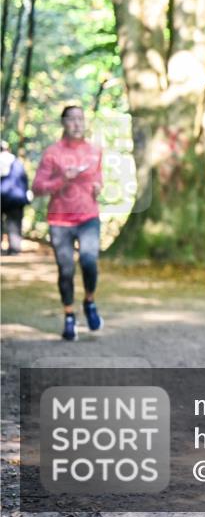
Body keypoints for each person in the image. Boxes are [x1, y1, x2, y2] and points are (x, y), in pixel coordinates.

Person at [31, 105, 104, 341]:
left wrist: (98, 187)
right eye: (71, 119)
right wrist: (63, 179)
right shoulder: (53, 153)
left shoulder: (95, 151)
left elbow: (98, 178)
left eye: (80, 119)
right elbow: (38, 188)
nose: (76, 123)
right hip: (60, 220)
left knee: (89, 261)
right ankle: (69, 315)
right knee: (66, 270)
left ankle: (90, 302)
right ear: (63, 123)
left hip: (88, 217)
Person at [0, 140, 30, 255]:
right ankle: (15, 249)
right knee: (15, 224)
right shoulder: (17, 162)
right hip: (15, 198)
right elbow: (24, 180)